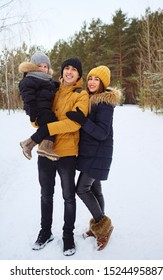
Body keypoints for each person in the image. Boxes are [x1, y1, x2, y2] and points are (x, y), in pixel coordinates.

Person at [31, 58, 89, 256]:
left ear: (79, 74)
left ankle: (68, 236)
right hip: (45, 151)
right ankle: (45, 232)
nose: (69, 72)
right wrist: (36, 120)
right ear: (62, 72)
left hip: (66, 153)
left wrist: (48, 127)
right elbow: (39, 118)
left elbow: (74, 124)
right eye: (66, 68)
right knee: (46, 195)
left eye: (74, 69)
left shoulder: (81, 95)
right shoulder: (51, 90)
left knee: (68, 197)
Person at [66, 65, 121, 250]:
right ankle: (99, 226)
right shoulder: (91, 100)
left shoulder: (104, 104)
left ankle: (103, 226)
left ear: (103, 83)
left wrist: (82, 121)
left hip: (98, 153)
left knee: (81, 189)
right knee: (95, 189)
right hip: (92, 153)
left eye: (96, 79)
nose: (91, 82)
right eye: (90, 78)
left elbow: (102, 133)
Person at [19, 50, 60, 161]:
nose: (43, 68)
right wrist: (33, 113)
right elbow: (28, 97)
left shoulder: (47, 80)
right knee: (53, 124)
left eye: (45, 66)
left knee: (52, 125)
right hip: (37, 109)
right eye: (39, 66)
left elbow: (53, 87)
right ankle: (30, 144)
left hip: (46, 110)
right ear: (33, 67)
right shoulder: (30, 79)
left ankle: (40, 146)